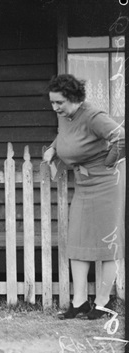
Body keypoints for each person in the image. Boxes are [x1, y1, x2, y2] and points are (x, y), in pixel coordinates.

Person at [43, 74, 125, 320]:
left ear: (74, 99)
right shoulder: (66, 115)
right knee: (78, 241)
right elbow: (65, 135)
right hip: (84, 184)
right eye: (52, 102)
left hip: (106, 184)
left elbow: (120, 137)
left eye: (59, 102)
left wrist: (109, 164)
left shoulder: (93, 116)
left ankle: (102, 301)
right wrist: (53, 148)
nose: (55, 107)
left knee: (107, 243)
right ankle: (79, 302)